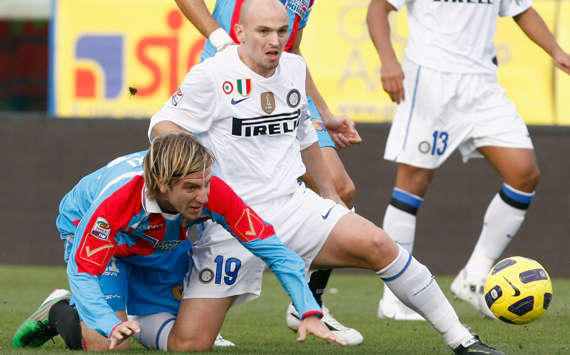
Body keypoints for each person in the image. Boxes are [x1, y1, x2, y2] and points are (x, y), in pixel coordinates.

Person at [148, 1, 504, 353]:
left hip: (293, 207)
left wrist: (331, 199)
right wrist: (191, 162)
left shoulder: (293, 68)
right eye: (264, 32)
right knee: (190, 346)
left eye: (282, 31)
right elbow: (162, 125)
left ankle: (463, 339)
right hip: (232, 224)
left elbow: (305, 136)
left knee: (379, 245)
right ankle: (137, 321)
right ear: (239, 33)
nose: (275, 40)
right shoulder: (212, 75)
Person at [11, 133, 342, 351]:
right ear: (161, 183)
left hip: (159, 239)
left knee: (188, 343)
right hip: (98, 237)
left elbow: (274, 250)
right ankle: (59, 311)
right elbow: (83, 270)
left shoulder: (212, 193)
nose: (204, 197)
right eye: (192, 188)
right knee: (107, 342)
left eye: (206, 184)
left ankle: (119, 308)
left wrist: (308, 309)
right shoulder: (116, 200)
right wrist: (110, 323)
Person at [366, 0, 570, 320]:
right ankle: (395, 298)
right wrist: (388, 60)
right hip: (430, 79)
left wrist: (556, 51)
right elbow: (378, 8)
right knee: (413, 183)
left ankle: (474, 277)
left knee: (524, 172)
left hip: (482, 85)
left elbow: (522, 10)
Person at [173, 0, 363, 343]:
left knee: (339, 188)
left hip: (282, 94)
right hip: (224, 97)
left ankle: (307, 304)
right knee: (194, 206)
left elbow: (295, 51)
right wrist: (219, 38)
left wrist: (322, 113)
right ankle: (186, 309)